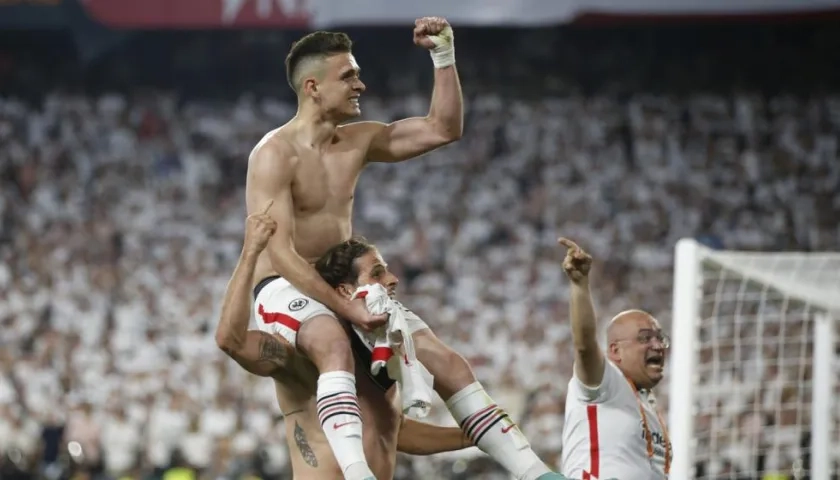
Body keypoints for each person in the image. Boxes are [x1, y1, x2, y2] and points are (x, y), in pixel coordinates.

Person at [245, 17, 562, 480]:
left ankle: (538, 474)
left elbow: (442, 129)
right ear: (312, 87)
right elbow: (281, 253)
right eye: (349, 76)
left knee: (448, 363)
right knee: (331, 340)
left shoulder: (356, 140)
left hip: (343, 286)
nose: (361, 84)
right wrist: (345, 310)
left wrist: (444, 56)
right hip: (283, 285)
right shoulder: (274, 153)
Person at [215, 203, 473, 480]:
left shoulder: (379, 354)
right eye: (377, 274)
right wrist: (250, 253)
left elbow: (393, 432)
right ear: (345, 291)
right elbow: (231, 340)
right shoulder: (304, 353)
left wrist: (479, 435)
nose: (392, 281)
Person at [557, 238, 671, 480]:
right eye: (645, 338)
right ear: (615, 351)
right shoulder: (605, 381)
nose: (658, 345)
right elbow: (584, 346)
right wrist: (579, 285)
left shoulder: (647, 404)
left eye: (660, 339)